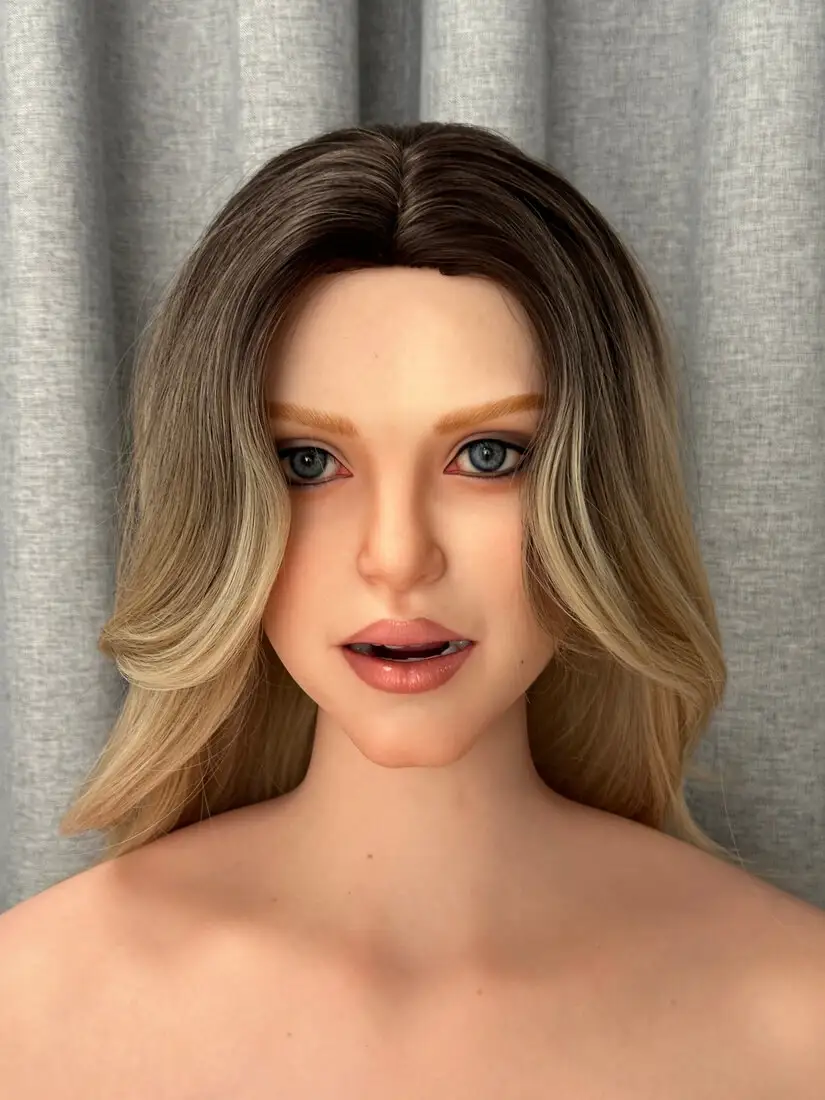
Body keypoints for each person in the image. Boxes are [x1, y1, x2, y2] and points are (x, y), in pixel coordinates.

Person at [1, 120, 823, 1098]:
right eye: (308, 461)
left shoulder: (797, 1011)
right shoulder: (29, 1004)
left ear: (600, 497)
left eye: (488, 455)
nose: (396, 557)